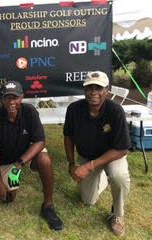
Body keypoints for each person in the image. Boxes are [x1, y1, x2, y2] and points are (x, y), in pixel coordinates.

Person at [0, 81, 63, 231]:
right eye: (7, 98)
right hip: (7, 161)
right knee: (8, 199)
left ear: (22, 98)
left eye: (15, 97)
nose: (11, 102)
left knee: (44, 159)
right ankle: (14, 177)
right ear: (1, 99)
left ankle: (48, 205)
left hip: (25, 157)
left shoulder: (30, 111)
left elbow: (40, 141)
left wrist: (19, 164)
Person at [63, 71, 131, 237]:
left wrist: (89, 166)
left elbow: (122, 148)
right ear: (84, 90)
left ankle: (117, 214)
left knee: (119, 176)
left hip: (112, 156)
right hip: (87, 156)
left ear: (106, 90)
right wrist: (71, 164)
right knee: (87, 201)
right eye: (89, 87)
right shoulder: (73, 109)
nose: (93, 92)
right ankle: (102, 178)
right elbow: (68, 136)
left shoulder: (116, 111)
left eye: (98, 88)